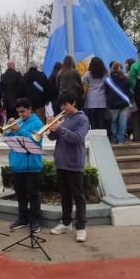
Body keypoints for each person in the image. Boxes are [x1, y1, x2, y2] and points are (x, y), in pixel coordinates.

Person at [47, 91, 90, 242]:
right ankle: (66, 223)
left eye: (65, 104)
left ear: (73, 103)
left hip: (74, 162)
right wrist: (50, 127)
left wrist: (59, 128)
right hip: (61, 162)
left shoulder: (82, 119)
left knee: (78, 197)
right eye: (61, 105)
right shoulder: (63, 118)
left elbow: (77, 138)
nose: (62, 108)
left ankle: (81, 227)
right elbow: (53, 137)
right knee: (65, 196)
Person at [4, 98, 44, 232]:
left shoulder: (37, 123)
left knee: (33, 195)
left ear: (30, 109)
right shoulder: (18, 121)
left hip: (31, 165)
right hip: (17, 164)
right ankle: (23, 218)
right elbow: (6, 137)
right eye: (18, 112)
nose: (20, 115)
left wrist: (19, 129)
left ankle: (36, 220)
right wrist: (8, 128)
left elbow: (35, 141)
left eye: (23, 111)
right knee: (20, 194)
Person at [105, 62, 132, 144]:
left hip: (113, 104)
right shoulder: (126, 79)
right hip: (124, 103)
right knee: (123, 121)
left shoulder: (108, 80)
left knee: (113, 121)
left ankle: (114, 138)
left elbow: (106, 92)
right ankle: (121, 138)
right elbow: (128, 90)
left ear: (112, 68)